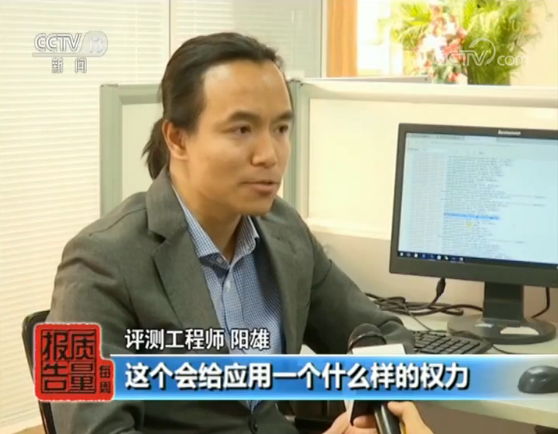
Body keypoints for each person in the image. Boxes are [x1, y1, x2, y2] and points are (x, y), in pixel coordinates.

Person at [47, 32, 428, 434]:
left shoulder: (285, 233)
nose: (269, 155)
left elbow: (383, 335)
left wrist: (367, 410)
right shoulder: (97, 260)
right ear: (177, 138)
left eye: (281, 128)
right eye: (242, 129)